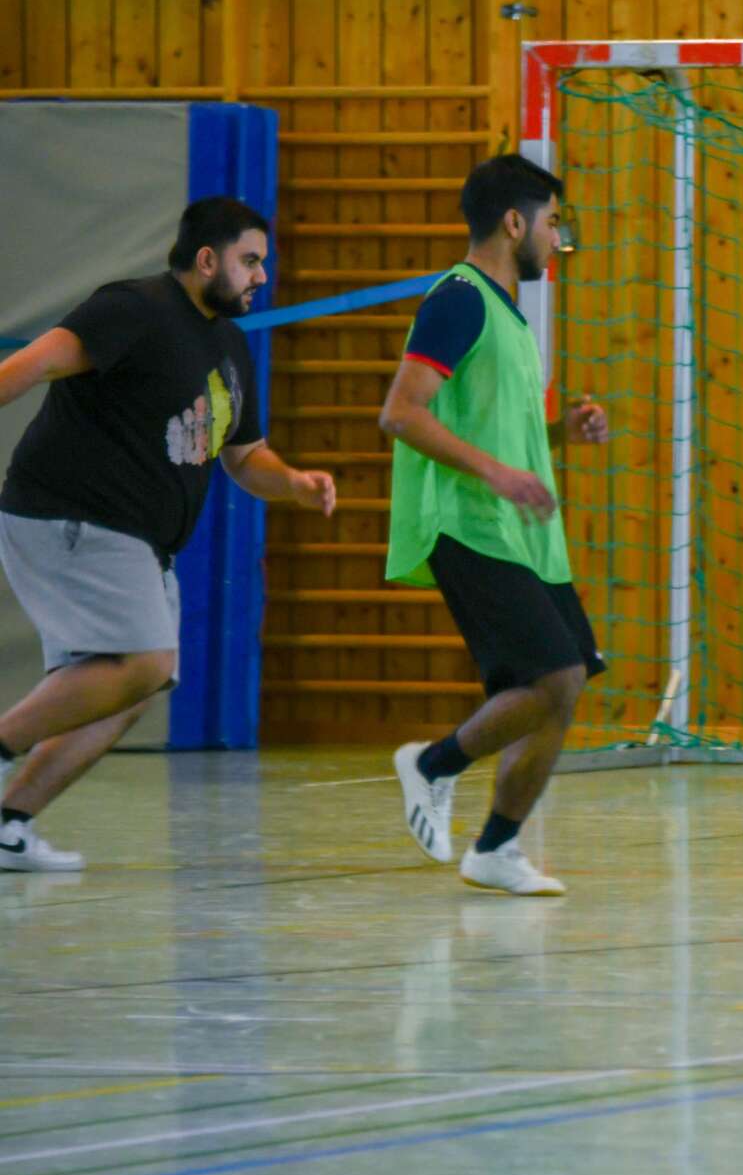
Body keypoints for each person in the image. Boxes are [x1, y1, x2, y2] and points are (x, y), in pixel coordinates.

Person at [0, 197, 336, 871]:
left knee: (132, 686)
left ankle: (10, 824)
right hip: (73, 517)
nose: (261, 276)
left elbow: (245, 457)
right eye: (250, 261)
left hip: (139, 542)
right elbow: (31, 365)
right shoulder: (133, 308)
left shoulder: (229, 345)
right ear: (207, 259)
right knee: (146, 661)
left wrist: (295, 482)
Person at [381, 153, 608, 897]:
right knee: (555, 676)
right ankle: (432, 763)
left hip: (523, 535)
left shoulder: (507, 315)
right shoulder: (459, 298)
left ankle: (496, 849)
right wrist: (496, 475)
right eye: (551, 222)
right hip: (468, 522)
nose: (556, 238)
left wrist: (559, 434)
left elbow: (499, 431)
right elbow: (401, 412)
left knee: (565, 686)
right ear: (515, 222)